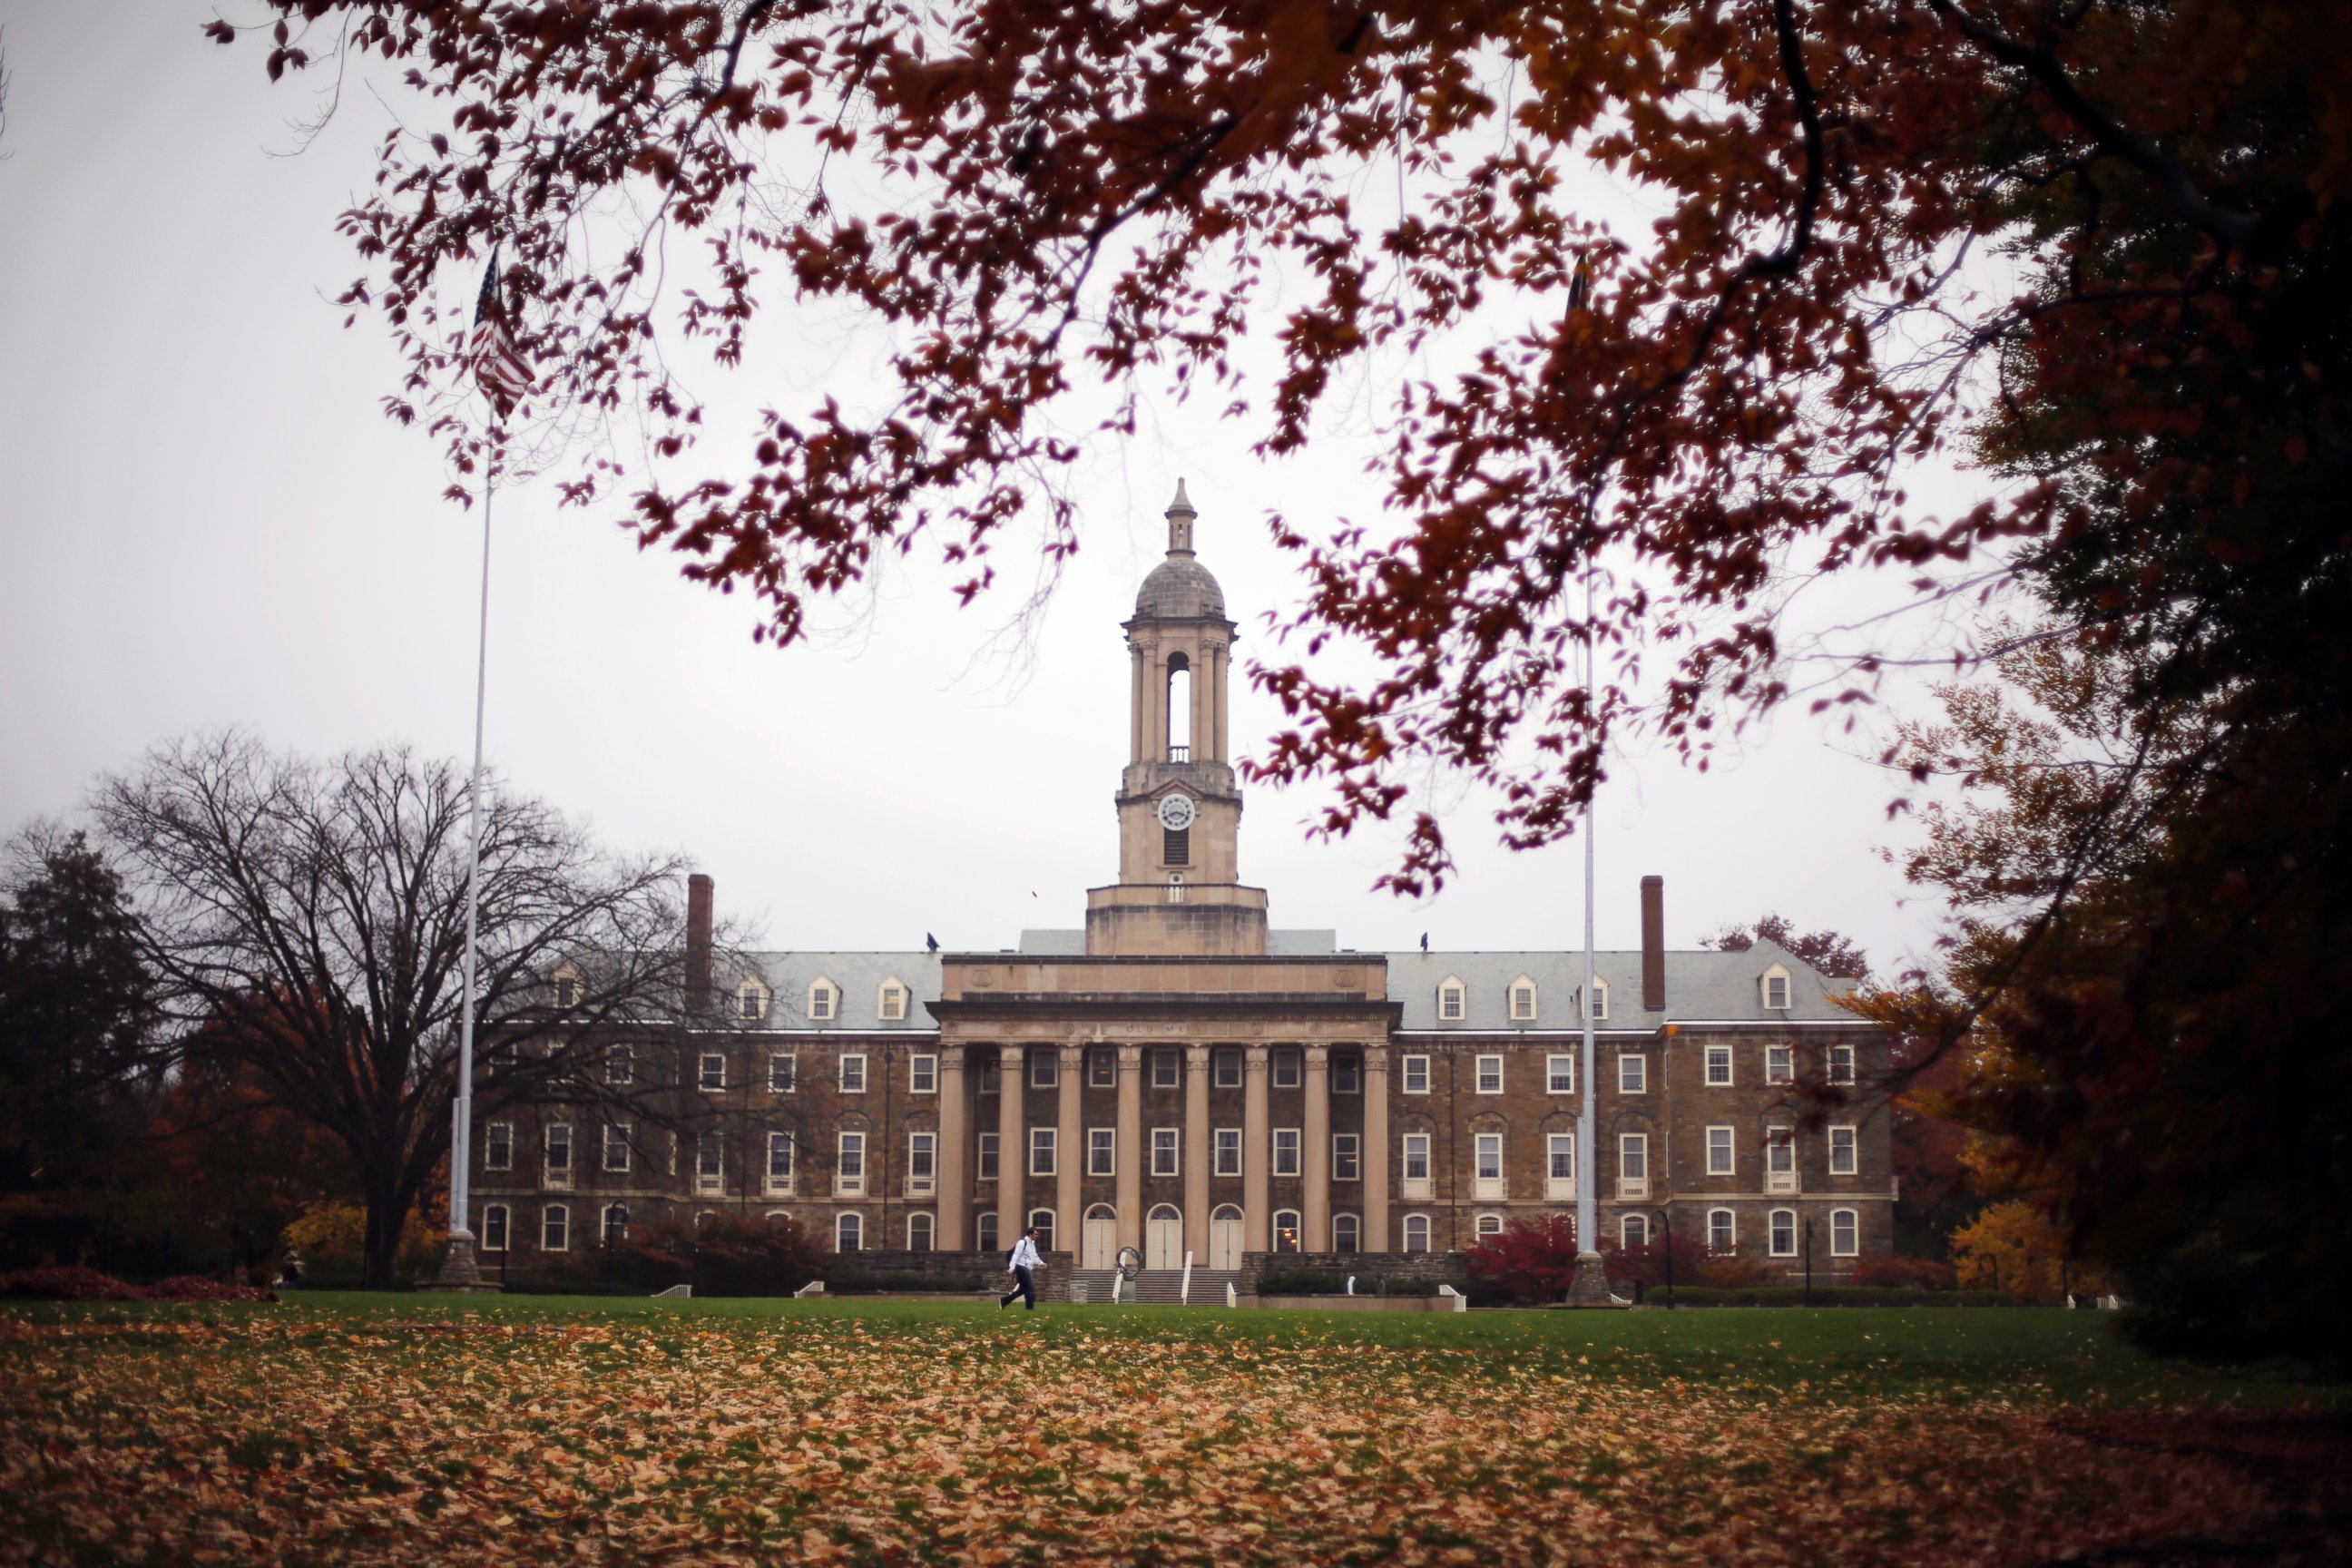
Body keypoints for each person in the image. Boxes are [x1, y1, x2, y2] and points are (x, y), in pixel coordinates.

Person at [999, 1225, 1044, 1311]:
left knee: (1023, 1289)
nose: (1037, 1236)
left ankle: (1004, 1301)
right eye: (1035, 1234)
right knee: (1030, 1288)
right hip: (1021, 1267)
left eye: (1037, 1234)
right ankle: (1030, 1308)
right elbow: (1016, 1255)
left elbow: (1034, 1256)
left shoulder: (1032, 1244)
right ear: (1030, 1234)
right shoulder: (1022, 1242)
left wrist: (1041, 1263)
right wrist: (1011, 1268)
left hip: (1026, 1268)